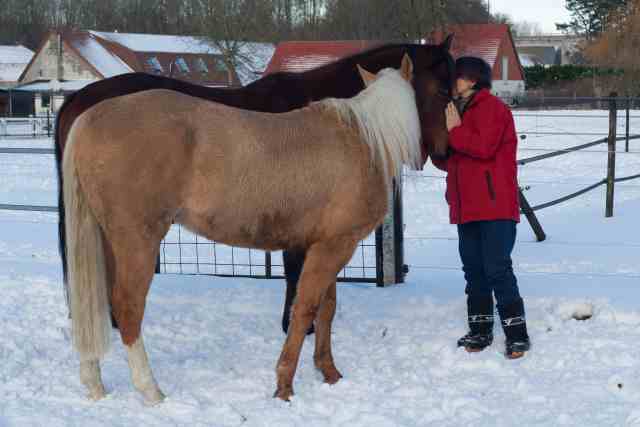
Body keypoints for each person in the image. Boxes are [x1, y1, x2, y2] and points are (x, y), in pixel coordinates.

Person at [432, 56, 531, 359]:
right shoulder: (458, 110)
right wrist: (436, 147)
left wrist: (454, 129)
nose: (452, 84)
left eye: (456, 78)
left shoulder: (492, 108)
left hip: (494, 205)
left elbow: (484, 147)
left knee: (497, 269)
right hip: (467, 207)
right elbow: (455, 160)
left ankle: (517, 335)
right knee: (473, 270)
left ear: (472, 80)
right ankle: (480, 330)